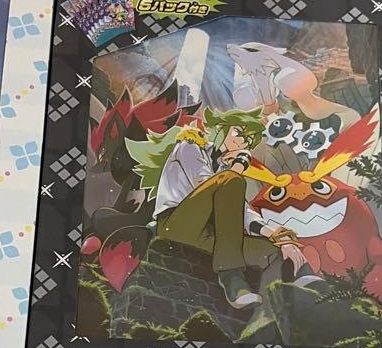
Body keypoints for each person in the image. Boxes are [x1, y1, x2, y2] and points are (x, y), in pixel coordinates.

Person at [129, 107, 317, 309]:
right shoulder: (191, 145)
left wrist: (278, 237)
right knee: (231, 180)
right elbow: (205, 182)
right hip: (175, 225)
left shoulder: (225, 171)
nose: (242, 142)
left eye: (248, 141)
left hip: (210, 234)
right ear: (220, 128)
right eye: (239, 133)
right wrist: (239, 164)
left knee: (271, 250)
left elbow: (243, 211)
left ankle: (304, 276)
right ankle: (231, 277)